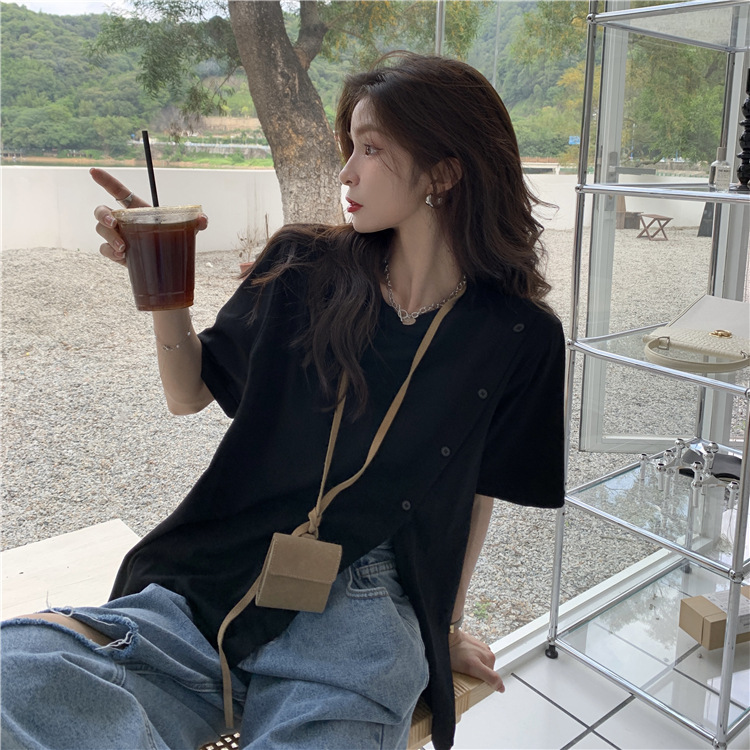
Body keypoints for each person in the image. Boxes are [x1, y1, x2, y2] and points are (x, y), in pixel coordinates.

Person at [1, 52, 565, 750]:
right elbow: (187, 392)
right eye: (349, 147)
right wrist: (161, 273)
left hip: (362, 615)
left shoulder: (519, 335)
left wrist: (442, 626)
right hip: (220, 575)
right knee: (14, 674)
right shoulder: (304, 266)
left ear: (444, 174)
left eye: (371, 150)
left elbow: (478, 492)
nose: (346, 173)